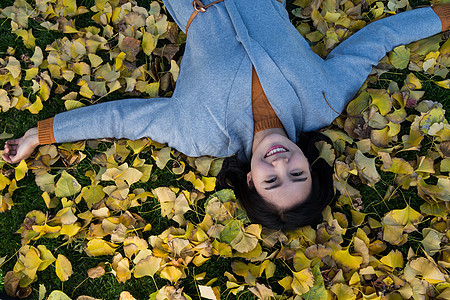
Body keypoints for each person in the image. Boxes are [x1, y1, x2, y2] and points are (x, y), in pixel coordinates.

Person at [2, 1, 449, 230]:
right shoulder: (325, 100)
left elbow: (122, 120)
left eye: (272, 180)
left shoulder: (198, 133)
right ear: (310, 165)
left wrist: (39, 135)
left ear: (251, 181)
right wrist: (444, 15)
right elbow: (376, 40)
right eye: (296, 174)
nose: (279, 163)